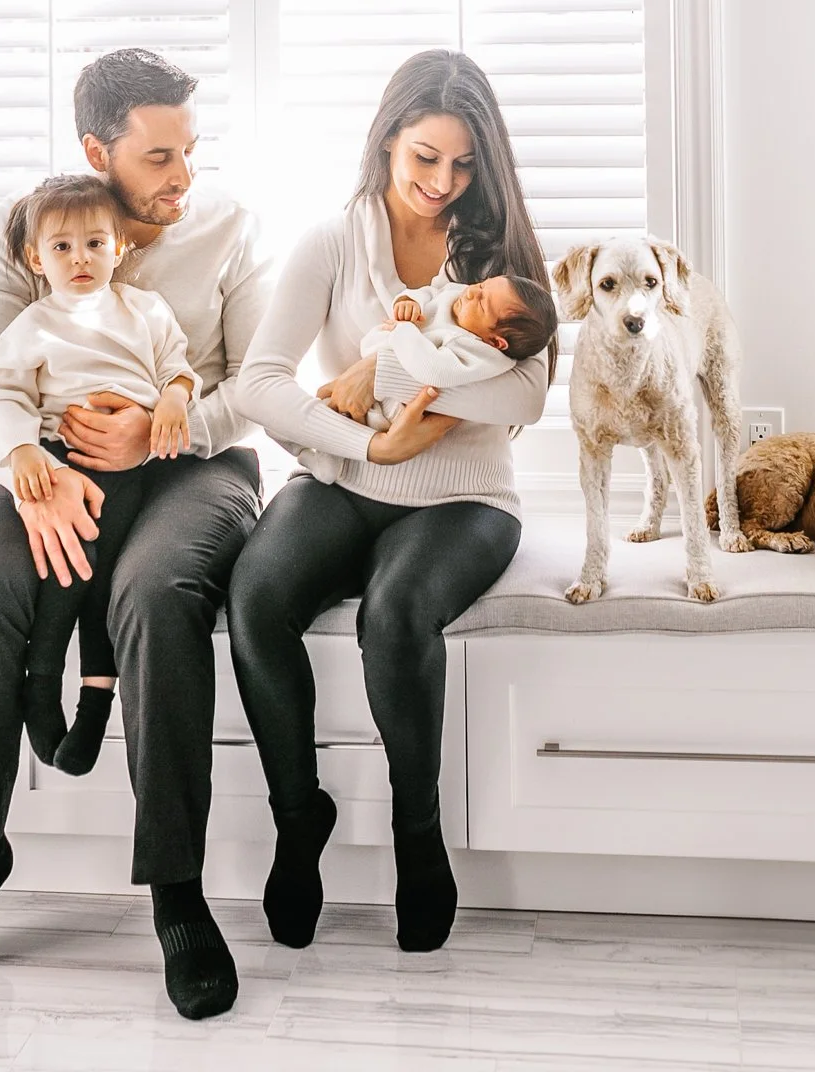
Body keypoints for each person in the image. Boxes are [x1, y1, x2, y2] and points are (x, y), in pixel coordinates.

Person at [0, 49, 269, 1023]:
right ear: (97, 150)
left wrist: (165, 425)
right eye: (157, 156)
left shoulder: (225, 227)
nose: (182, 175)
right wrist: (27, 467)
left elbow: (256, 388)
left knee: (151, 593)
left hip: (197, 468)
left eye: (190, 148)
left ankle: (177, 894)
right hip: (53, 464)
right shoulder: (32, 229)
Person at [229, 48, 553, 956]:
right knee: (255, 598)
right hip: (347, 475)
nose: (441, 184)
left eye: (461, 164)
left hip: (465, 497)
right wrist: (369, 441)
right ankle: (300, 819)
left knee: (397, 611)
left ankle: (419, 833)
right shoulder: (331, 244)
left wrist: (389, 368)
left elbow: (524, 398)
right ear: (384, 144)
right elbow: (259, 383)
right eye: (423, 158)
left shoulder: (497, 257)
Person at [0, 170, 198, 776]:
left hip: (137, 465)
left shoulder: (146, 310)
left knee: (103, 576)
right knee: (67, 568)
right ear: (35, 257)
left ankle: (94, 699)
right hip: (63, 459)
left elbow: (178, 369)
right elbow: (0, 393)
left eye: (95, 243)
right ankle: (44, 685)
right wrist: (23, 451)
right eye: (62, 247)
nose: (80, 258)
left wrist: (173, 401)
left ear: (120, 247)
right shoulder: (34, 325)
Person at [361, 274, 558, 433]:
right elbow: (431, 293)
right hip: (378, 351)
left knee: (366, 418)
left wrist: (403, 329)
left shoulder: (475, 351)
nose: (472, 292)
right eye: (482, 285)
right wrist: (410, 301)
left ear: (495, 342)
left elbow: (433, 370)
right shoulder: (459, 294)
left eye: (481, 304)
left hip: (393, 407)